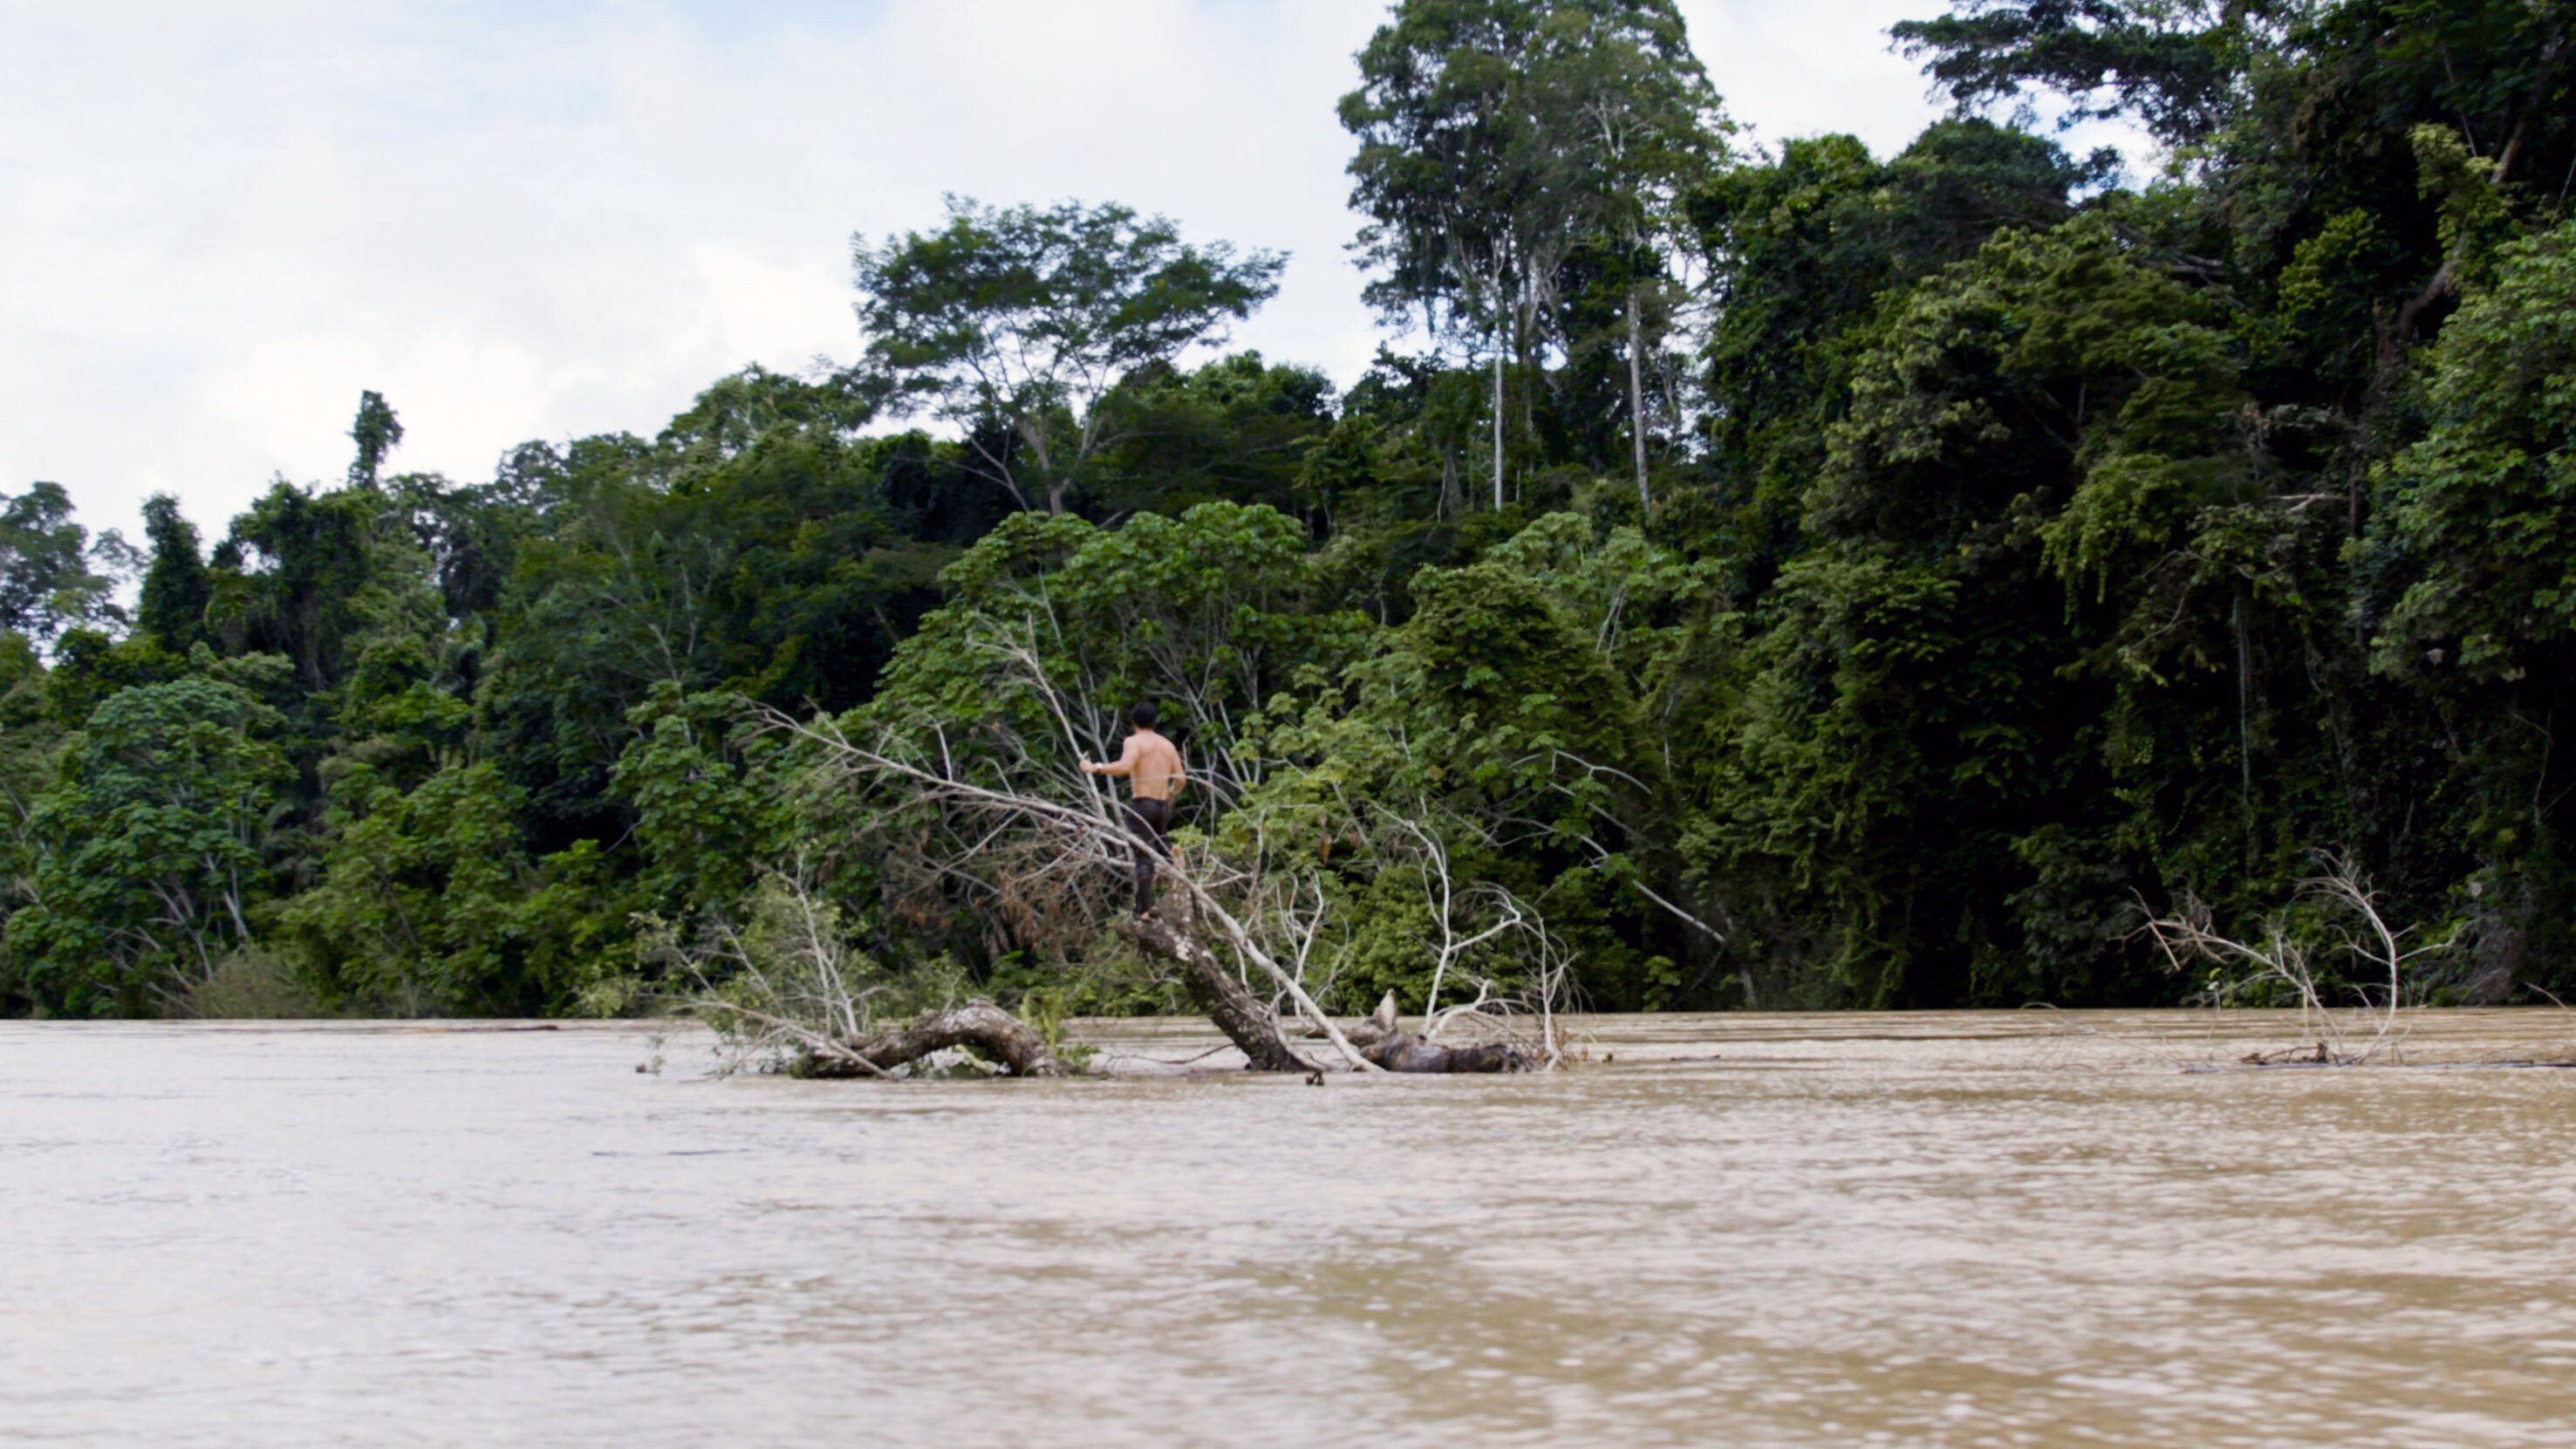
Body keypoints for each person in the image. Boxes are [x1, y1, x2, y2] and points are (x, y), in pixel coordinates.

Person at [1082, 702, 1186, 917]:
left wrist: (1095, 768)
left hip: (1143, 804)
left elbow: (1124, 767)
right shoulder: (1167, 745)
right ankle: (1171, 859)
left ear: (1133, 723)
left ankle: (1145, 909)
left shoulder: (1134, 741)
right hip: (1161, 805)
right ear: (1155, 721)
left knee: (1143, 857)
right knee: (1158, 842)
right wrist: (1171, 795)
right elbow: (1181, 779)